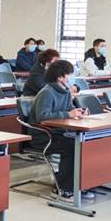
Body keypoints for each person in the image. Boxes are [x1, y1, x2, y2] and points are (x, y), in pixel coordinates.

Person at [28, 59, 94, 200]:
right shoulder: (47, 92)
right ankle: (63, 187)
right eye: (69, 74)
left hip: (60, 132)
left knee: (85, 144)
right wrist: (68, 115)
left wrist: (79, 111)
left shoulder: (65, 92)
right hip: (44, 136)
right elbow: (42, 117)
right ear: (60, 77)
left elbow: (70, 109)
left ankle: (78, 184)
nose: (72, 77)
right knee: (72, 146)